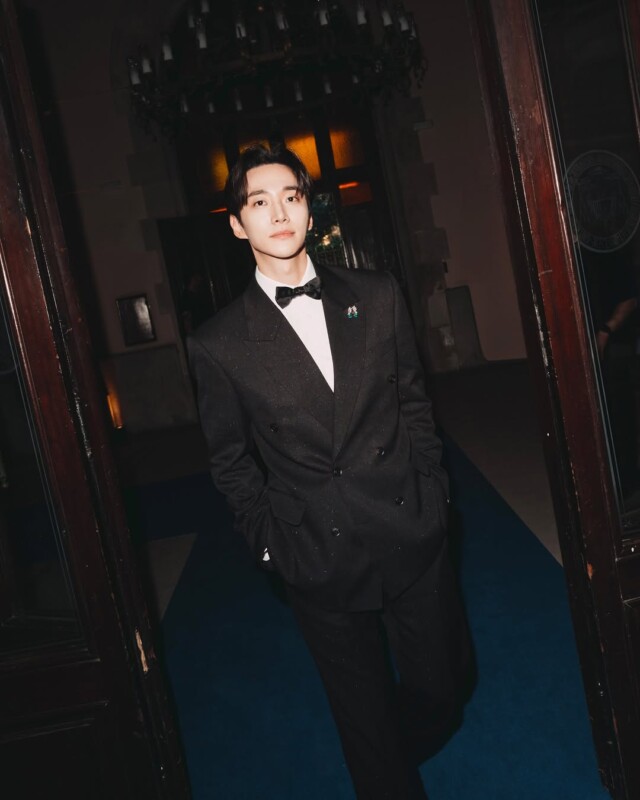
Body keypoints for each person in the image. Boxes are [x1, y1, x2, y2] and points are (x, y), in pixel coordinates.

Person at [187, 142, 471, 799]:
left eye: (290, 197)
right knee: (364, 723)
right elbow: (230, 461)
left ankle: (405, 739)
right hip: (316, 548)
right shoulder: (218, 343)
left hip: (409, 524)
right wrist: (270, 544)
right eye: (259, 202)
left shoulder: (376, 294)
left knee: (445, 684)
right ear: (238, 225)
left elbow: (414, 403)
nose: (278, 213)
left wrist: (434, 492)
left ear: (309, 211)